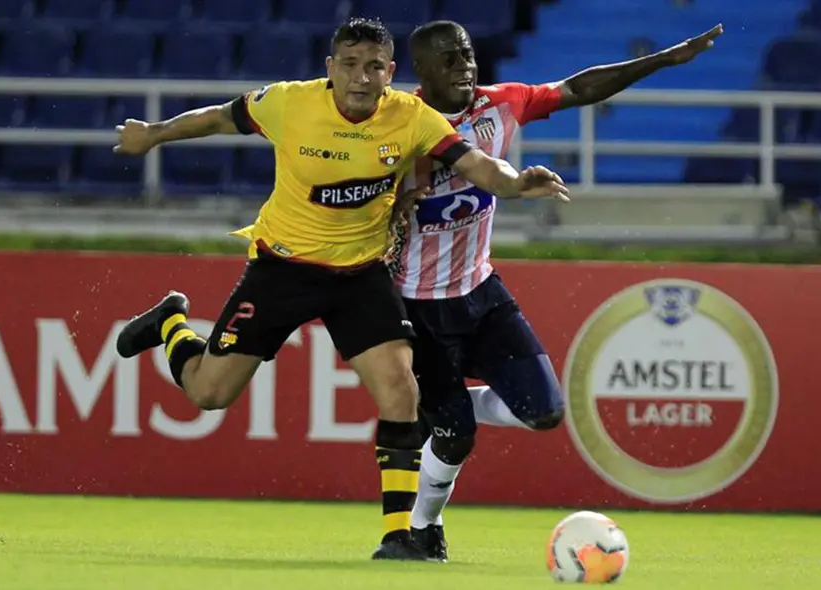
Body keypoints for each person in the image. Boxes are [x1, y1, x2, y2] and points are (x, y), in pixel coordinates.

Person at [110, 17, 569, 562]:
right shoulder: (288, 104)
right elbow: (217, 118)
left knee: (401, 390)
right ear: (331, 68)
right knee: (209, 393)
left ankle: (400, 536)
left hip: (361, 275)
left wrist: (516, 184)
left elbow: (474, 163)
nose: (361, 77)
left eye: (374, 67)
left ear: (390, 73)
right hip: (284, 268)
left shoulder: (411, 117)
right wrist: (155, 133)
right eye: (350, 65)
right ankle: (170, 322)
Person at [389, 20, 723, 562]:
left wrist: (660, 60)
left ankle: (446, 405)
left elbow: (578, 88)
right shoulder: (394, 123)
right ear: (421, 72)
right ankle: (424, 527)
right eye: (448, 59)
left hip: (480, 292)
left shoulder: (502, 104)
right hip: (415, 305)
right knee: (455, 440)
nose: (464, 66)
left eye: (468, 54)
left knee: (543, 412)